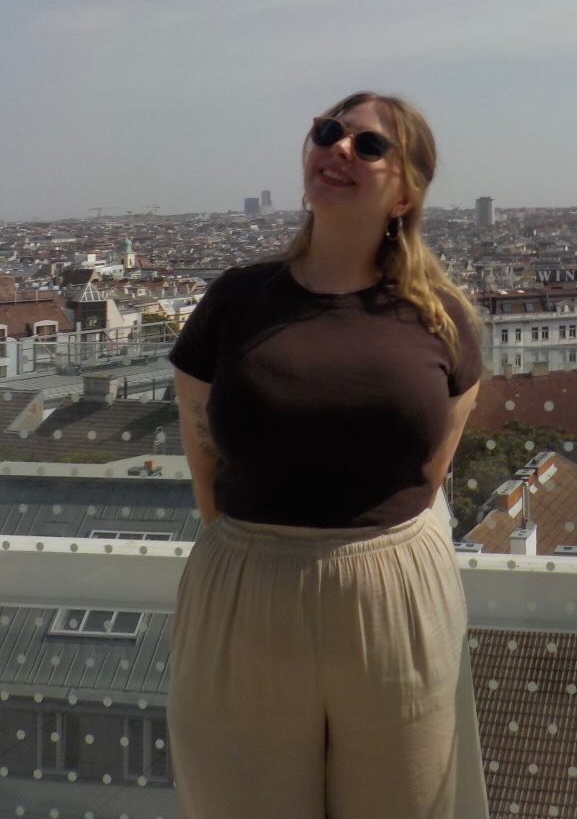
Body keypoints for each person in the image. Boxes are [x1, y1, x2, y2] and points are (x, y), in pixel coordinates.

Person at [167, 91, 489, 818]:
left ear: (405, 194)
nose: (339, 148)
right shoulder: (234, 301)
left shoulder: (441, 320)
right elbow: (205, 461)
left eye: (369, 146)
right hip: (247, 584)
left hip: (391, 588)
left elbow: (426, 476)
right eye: (327, 133)